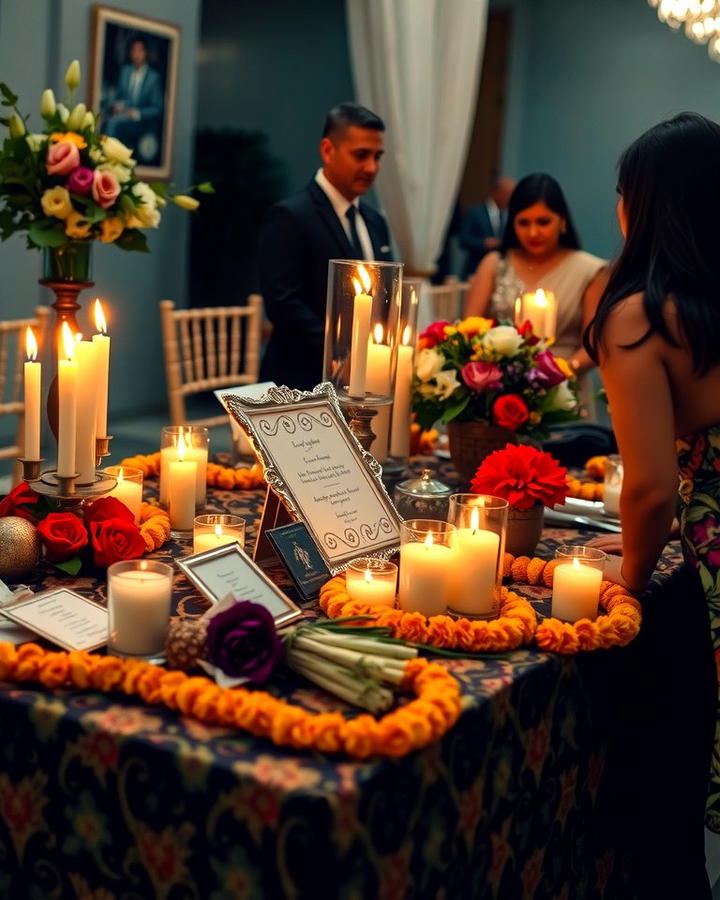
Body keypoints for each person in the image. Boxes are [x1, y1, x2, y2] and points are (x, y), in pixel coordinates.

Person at [586, 112, 720, 896]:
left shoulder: (636, 314)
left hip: (708, 581)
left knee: (664, 829)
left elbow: (649, 490)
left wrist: (629, 582)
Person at [257, 103, 393, 391]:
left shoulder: (375, 222)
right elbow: (283, 304)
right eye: (361, 155)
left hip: (366, 381)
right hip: (300, 383)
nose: (372, 167)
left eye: (377, 156)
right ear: (328, 150)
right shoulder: (290, 216)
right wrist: (345, 353)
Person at [463, 173, 606, 416]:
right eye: (523, 223)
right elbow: (469, 330)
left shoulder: (590, 270)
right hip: (499, 395)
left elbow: (594, 343)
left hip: (564, 391)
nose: (533, 232)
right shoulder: (495, 264)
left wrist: (558, 372)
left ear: (562, 221)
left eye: (543, 222)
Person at [103, 36, 163, 161]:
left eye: (140, 50)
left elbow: (157, 108)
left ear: (146, 53)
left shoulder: (154, 77)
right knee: (107, 118)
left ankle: (106, 157)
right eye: (133, 50)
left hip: (142, 123)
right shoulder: (125, 72)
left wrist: (136, 113)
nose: (136, 54)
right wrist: (119, 105)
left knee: (113, 123)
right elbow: (119, 97)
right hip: (124, 117)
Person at [458, 175, 515, 278]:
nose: (510, 198)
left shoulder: (510, 215)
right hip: (476, 268)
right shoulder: (475, 212)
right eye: (507, 194)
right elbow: (463, 239)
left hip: (500, 271)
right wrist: (484, 243)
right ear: (496, 192)